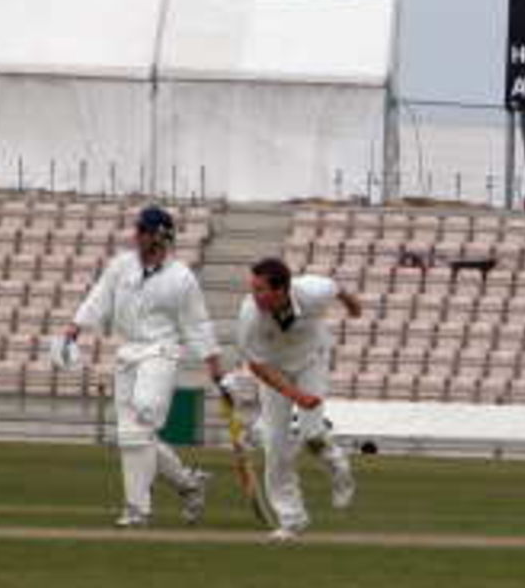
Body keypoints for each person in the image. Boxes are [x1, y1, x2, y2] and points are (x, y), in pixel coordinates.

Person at [55, 205, 227, 528]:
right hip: (128, 352)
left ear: (160, 237)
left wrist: (213, 363)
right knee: (132, 435)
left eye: (143, 231)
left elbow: (197, 325)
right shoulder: (122, 266)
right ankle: (189, 484)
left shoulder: (182, 278)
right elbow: (99, 297)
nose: (136, 236)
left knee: (139, 424)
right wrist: (75, 327)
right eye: (138, 230)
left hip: (162, 351)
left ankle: (137, 510)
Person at [236, 257, 360, 541]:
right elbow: (257, 366)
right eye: (252, 289)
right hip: (274, 371)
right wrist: (295, 395)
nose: (255, 296)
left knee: (312, 435)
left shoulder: (310, 291)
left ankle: (339, 469)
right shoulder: (249, 314)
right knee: (275, 446)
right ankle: (292, 519)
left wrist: (353, 305)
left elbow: (336, 288)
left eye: (261, 290)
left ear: (282, 290)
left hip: (311, 361)